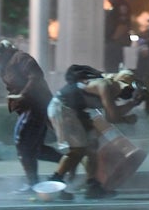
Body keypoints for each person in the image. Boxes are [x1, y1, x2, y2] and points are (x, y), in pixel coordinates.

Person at [47, 66, 142, 199]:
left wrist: (133, 104)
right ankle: (54, 183)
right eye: (127, 89)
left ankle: (93, 187)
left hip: (75, 111)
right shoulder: (104, 86)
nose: (123, 94)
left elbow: (111, 115)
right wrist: (126, 119)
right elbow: (113, 117)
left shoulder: (108, 88)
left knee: (92, 147)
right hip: (63, 107)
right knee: (77, 150)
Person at [0, 40, 63, 193]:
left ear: (2, 51)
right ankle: (65, 163)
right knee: (36, 149)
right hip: (26, 108)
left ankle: (33, 183)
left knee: (23, 143)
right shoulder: (5, 68)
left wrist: (23, 95)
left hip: (36, 106)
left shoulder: (21, 58)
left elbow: (36, 77)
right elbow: (12, 87)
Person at [104, 0, 131, 72]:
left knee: (111, 67)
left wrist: (112, 40)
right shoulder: (116, 6)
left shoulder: (121, 6)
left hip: (117, 43)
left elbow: (123, 25)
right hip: (115, 42)